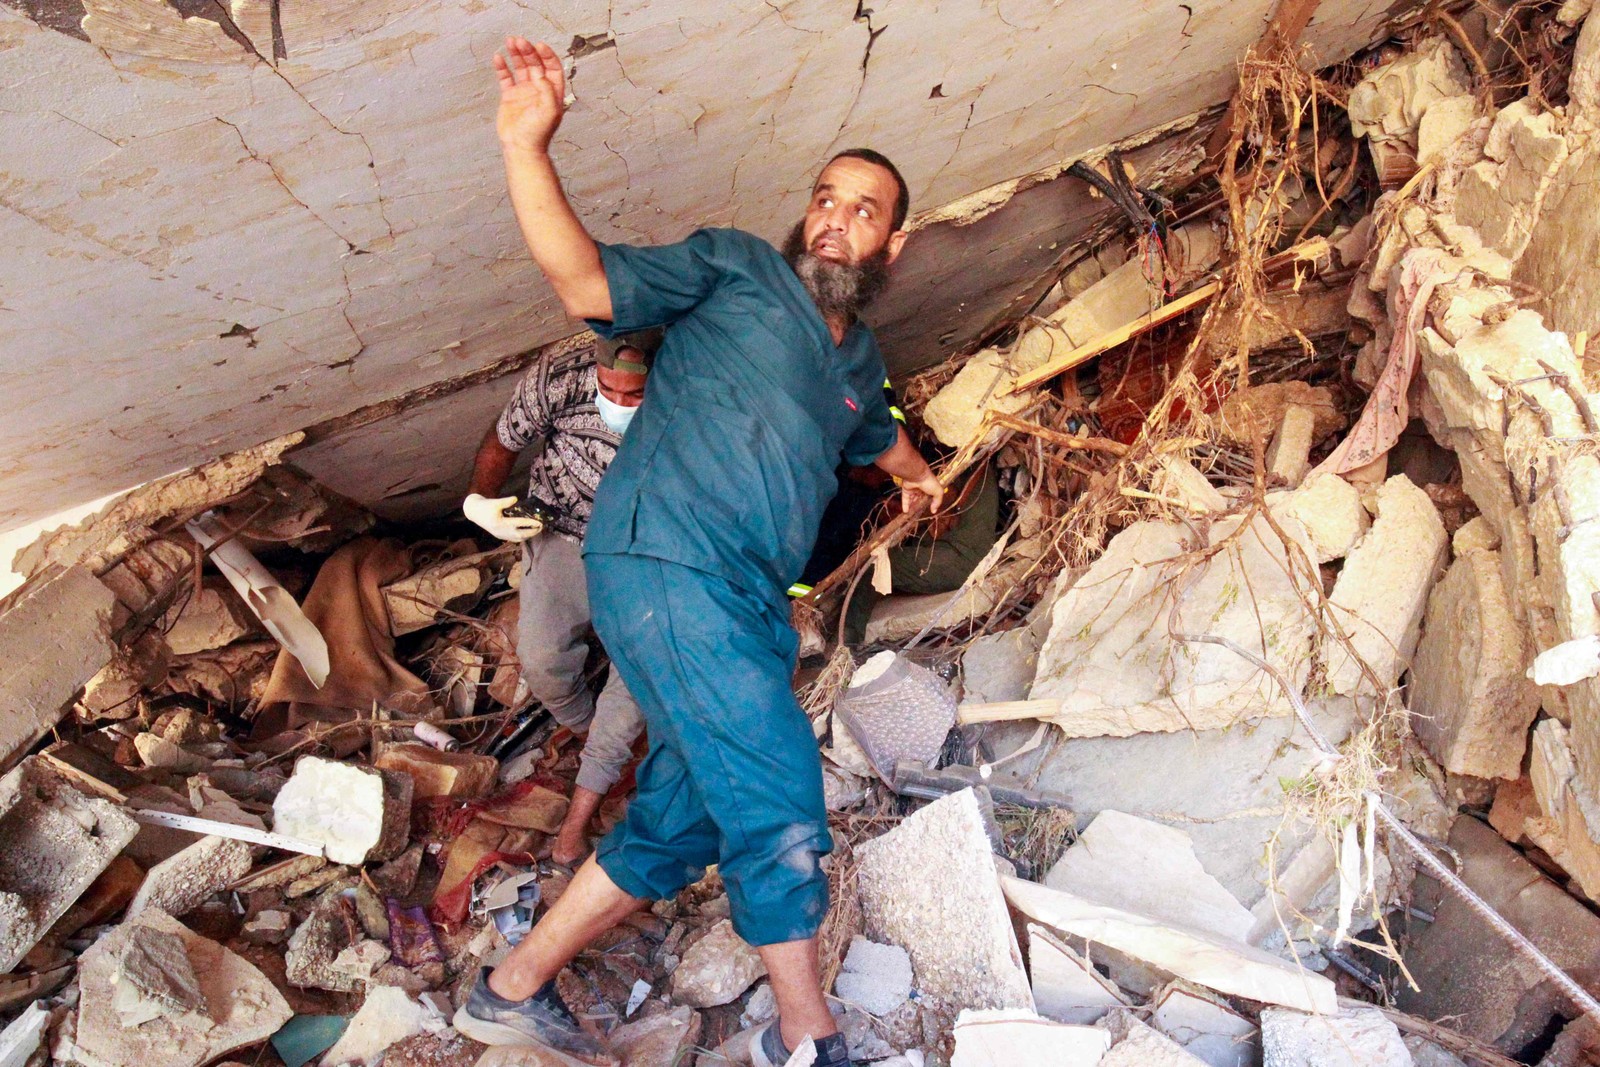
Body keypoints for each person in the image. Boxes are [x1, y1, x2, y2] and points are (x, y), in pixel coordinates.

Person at [452, 38, 943, 1067]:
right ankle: (810, 1040)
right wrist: (523, 145)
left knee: (678, 819)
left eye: (862, 209)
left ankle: (507, 987)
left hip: (750, 605)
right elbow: (584, 279)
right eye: (824, 196)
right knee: (773, 793)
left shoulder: (858, 361)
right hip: (668, 558)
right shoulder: (735, 270)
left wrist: (918, 474)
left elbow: (873, 433)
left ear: (891, 249)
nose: (833, 217)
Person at [461, 330, 660, 868]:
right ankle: (589, 737)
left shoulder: (692, 389)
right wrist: (481, 503)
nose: (618, 404)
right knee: (543, 661)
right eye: (608, 390)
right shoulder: (560, 374)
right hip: (564, 528)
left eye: (634, 396)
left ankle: (582, 812)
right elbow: (501, 442)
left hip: (648, 546)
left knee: (635, 681)